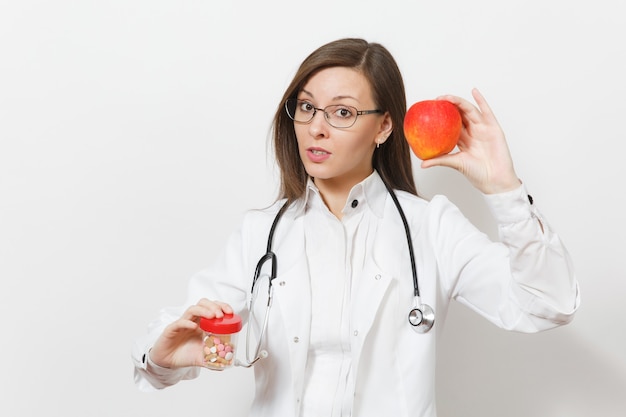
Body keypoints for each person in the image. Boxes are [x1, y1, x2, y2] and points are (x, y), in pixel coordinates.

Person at [132, 38, 579, 417]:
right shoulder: (260, 233)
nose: (315, 128)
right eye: (306, 107)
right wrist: (161, 355)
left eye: (342, 113)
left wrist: (504, 188)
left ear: (384, 126)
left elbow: (548, 302)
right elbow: (178, 337)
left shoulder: (431, 227)